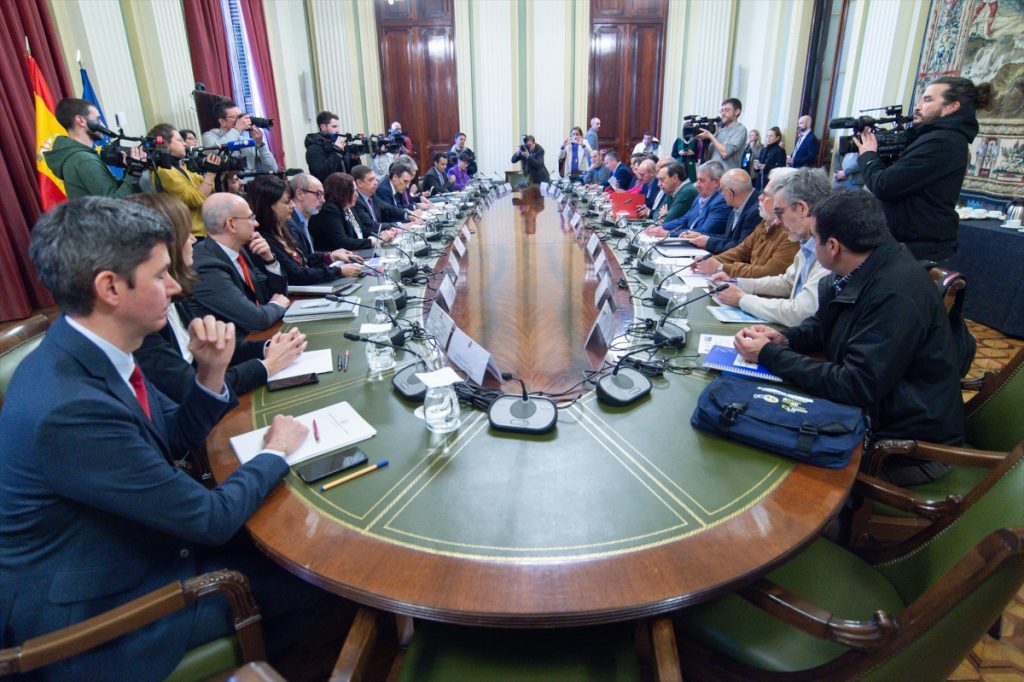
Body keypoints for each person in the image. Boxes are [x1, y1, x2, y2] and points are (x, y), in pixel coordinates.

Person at [0, 196, 319, 680]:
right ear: (110, 287)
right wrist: (276, 449)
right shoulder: (71, 409)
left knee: (294, 546)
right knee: (316, 577)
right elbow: (210, 521)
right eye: (160, 275)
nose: (174, 288)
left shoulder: (96, 347)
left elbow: (169, 437)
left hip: (136, 545)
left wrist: (211, 373)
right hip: (103, 615)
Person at [734, 190, 965, 484]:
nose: (809, 244)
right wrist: (784, 339)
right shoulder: (858, 270)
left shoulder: (896, 293)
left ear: (832, 246)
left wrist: (769, 355)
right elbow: (823, 325)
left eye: (813, 238)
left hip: (904, 448)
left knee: (761, 451)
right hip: (878, 414)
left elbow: (856, 384)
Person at [126, 192, 307, 403]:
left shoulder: (176, 294)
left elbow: (215, 349)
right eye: (187, 234)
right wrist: (267, 365)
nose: (194, 239)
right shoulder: (145, 319)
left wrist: (268, 347)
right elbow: (191, 388)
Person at [854, 76, 990, 261]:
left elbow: (884, 185)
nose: (917, 107)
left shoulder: (942, 141)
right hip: (909, 243)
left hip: (919, 249)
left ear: (951, 107)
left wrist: (868, 156)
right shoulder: (934, 137)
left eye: (927, 100)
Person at [711, 168, 831, 326]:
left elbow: (800, 313)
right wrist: (739, 283)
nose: (778, 221)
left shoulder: (829, 249)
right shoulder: (807, 241)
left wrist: (742, 299)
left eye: (779, 212)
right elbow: (787, 282)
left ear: (802, 208)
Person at [190, 193, 291, 334]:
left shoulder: (240, 251)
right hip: (235, 349)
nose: (256, 224)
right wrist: (276, 305)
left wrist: (269, 260)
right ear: (231, 224)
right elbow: (255, 319)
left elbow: (277, 295)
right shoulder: (206, 265)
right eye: (251, 218)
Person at [248, 175, 363, 286]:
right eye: (287, 202)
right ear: (269, 206)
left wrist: (330, 256)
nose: (293, 205)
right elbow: (296, 274)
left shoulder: (285, 227)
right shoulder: (263, 239)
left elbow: (305, 259)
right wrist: (338, 271)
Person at [692, 166, 800, 278]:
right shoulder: (765, 222)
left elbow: (769, 273)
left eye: (765, 194)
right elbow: (741, 250)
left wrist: (722, 267)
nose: (760, 197)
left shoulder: (791, 232)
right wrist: (710, 260)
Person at [45, 98, 145, 198]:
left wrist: (129, 170)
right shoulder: (83, 159)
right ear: (81, 121)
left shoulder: (77, 156)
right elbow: (114, 203)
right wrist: (135, 171)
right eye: (98, 119)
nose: (103, 125)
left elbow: (113, 190)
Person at [146, 123, 221, 237]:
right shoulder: (164, 171)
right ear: (166, 144)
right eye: (179, 140)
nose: (184, 143)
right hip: (191, 236)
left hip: (202, 232)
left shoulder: (179, 166)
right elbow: (195, 199)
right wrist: (211, 173)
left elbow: (209, 187)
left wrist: (224, 173)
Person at [311, 171, 398, 253]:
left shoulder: (348, 206)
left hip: (356, 253)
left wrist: (381, 234)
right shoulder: (329, 210)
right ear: (341, 193)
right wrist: (375, 241)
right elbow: (342, 242)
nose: (356, 194)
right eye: (352, 191)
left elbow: (362, 230)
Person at [682, 168, 760, 254]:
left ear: (731, 193)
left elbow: (741, 248)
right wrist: (702, 236)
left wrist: (708, 242)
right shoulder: (737, 205)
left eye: (722, 190)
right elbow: (727, 238)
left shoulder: (757, 212)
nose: (721, 194)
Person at [646, 161, 729, 238]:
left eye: (702, 181)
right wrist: (661, 227)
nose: (697, 185)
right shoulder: (699, 198)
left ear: (717, 182)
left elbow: (704, 231)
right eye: (697, 180)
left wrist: (668, 233)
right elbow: (684, 220)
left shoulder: (721, 201)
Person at [201, 99, 277, 173]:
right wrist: (237, 129)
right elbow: (215, 151)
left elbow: (272, 170)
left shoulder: (247, 142)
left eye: (241, 116)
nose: (242, 120)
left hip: (249, 184)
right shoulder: (209, 136)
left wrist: (260, 145)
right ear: (222, 121)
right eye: (236, 117)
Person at [697, 98, 748, 170]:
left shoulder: (740, 129)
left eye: (727, 110)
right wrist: (704, 142)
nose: (723, 114)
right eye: (722, 111)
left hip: (727, 177)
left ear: (737, 111)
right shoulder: (720, 132)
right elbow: (708, 158)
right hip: (712, 175)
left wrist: (710, 136)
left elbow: (725, 153)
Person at [305, 110, 352, 181]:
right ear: (323, 127)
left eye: (338, 126)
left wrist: (354, 158)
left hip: (345, 188)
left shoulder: (335, 144)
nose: (337, 130)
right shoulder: (313, 148)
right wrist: (337, 153)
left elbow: (348, 171)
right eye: (334, 126)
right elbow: (322, 174)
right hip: (328, 190)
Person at [752, 126, 787, 192]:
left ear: (777, 138)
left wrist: (766, 166)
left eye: (771, 136)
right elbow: (759, 163)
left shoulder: (780, 150)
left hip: (770, 181)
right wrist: (756, 167)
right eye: (767, 136)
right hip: (760, 180)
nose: (768, 138)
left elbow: (781, 168)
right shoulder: (763, 149)